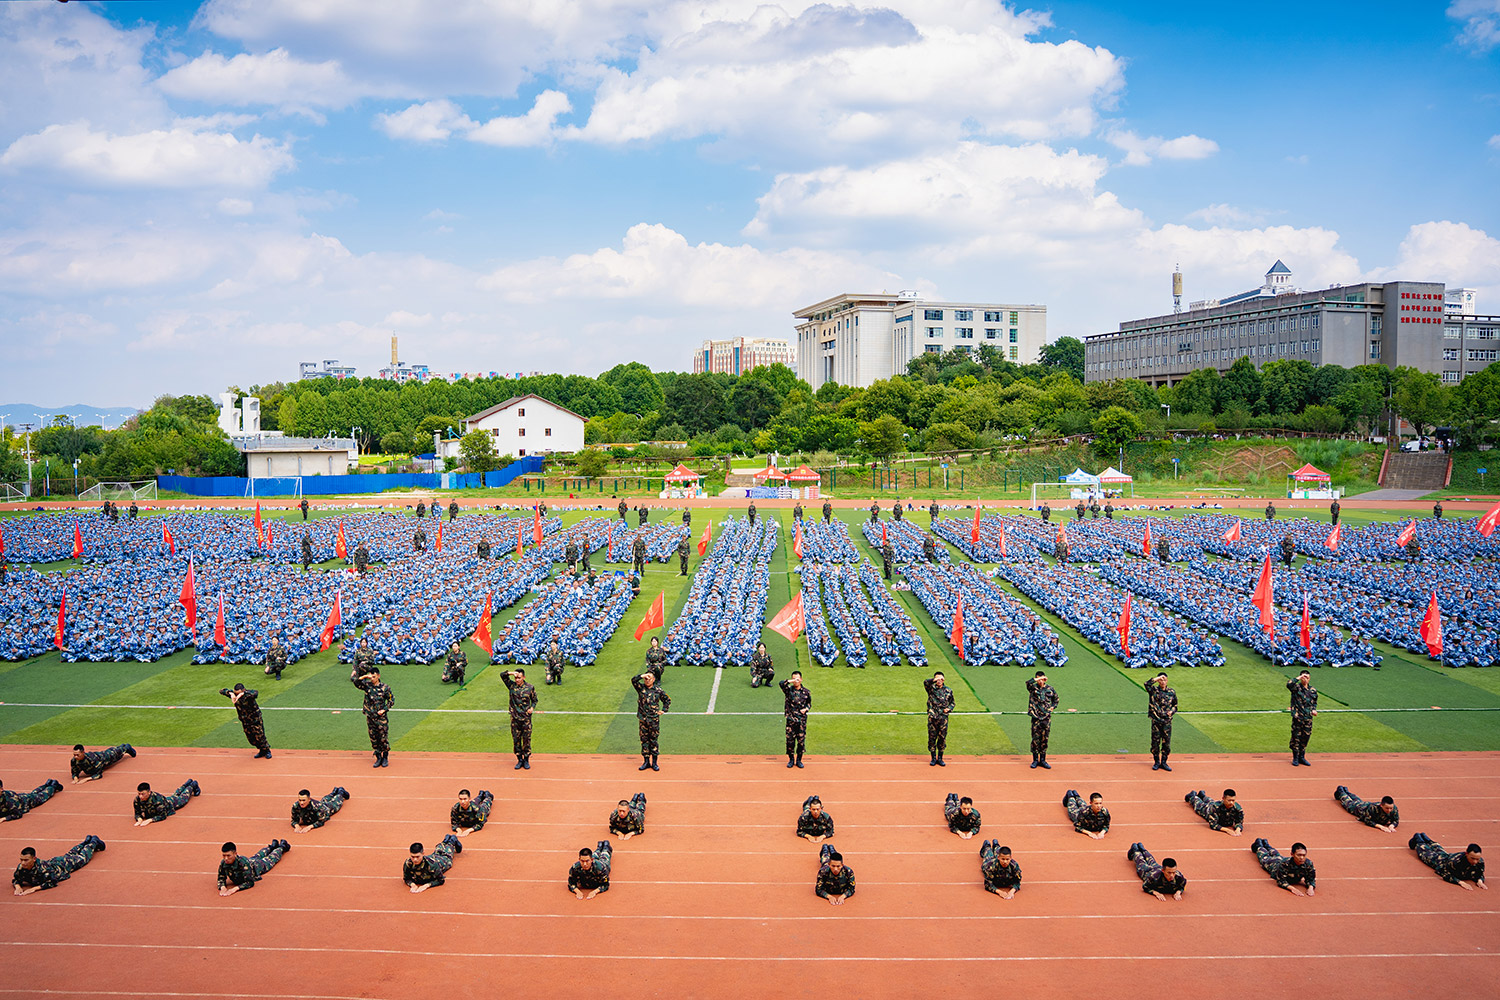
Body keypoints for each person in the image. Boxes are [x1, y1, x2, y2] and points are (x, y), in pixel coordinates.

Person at [12, 837, 105, 895]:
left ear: (34, 859)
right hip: (54, 862)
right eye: (21, 860)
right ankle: (85, 842)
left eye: (26, 860)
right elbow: (16, 879)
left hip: (63, 865)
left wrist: (34, 889)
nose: (23, 863)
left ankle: (93, 842)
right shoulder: (21, 867)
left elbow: (53, 881)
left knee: (82, 858)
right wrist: (18, 887)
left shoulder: (43, 868)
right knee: (70, 854)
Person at [351, 665, 394, 768]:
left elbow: (391, 700)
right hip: (370, 717)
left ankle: (385, 758)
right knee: (374, 738)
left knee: (383, 738)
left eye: (374, 676)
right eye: (371, 676)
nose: (372, 679)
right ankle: (378, 758)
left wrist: (384, 709)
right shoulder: (367, 685)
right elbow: (355, 682)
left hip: (381, 718)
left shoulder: (385, 688)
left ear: (378, 676)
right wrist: (364, 677)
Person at [1408, 834, 1485, 890]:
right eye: (1472, 858)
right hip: (1440, 861)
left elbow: (1479, 873)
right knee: (1424, 852)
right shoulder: (1456, 861)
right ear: (1466, 854)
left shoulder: (1480, 862)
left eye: (1477, 859)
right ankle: (1419, 838)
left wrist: (1480, 881)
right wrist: (1460, 882)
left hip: (1447, 855)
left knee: (1438, 848)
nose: (1475, 861)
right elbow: (1443, 872)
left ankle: (1426, 838)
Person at [218, 839, 289, 896]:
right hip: (251, 861)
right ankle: (271, 847)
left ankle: (282, 846)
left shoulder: (243, 863)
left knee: (272, 858)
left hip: (258, 866)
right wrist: (223, 887)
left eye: (228, 855)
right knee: (258, 855)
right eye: (224, 856)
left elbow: (250, 882)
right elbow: (221, 877)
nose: (226, 858)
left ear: (235, 854)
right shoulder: (223, 863)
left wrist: (235, 889)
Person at [633, 662, 670, 771]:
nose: (647, 680)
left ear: (654, 680)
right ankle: (646, 762)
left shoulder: (658, 690)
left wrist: (663, 710)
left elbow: (667, 700)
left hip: (653, 719)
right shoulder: (641, 688)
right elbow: (633, 680)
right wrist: (642, 676)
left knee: (653, 740)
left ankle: (654, 763)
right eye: (646, 679)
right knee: (644, 740)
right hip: (643, 719)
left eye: (649, 678)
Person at [220, 684, 273, 759]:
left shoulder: (248, 695)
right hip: (245, 720)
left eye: (238, 693)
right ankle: (261, 750)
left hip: (255, 719)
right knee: (251, 739)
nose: (236, 694)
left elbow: (255, 693)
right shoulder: (234, 694)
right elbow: (222, 690)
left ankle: (266, 750)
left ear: (243, 690)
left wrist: (243, 694)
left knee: (260, 736)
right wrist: (230, 693)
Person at [1251, 839, 1316, 896]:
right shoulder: (1284, 864)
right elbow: (1281, 881)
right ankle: (1259, 845)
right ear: (1292, 854)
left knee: (1277, 855)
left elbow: (1311, 879)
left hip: (1282, 859)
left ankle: (1267, 844)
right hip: (1274, 865)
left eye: (1304, 855)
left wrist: (1310, 888)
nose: (1302, 858)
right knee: (1264, 858)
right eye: (1299, 855)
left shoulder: (1308, 864)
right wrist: (1292, 888)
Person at [502, 669, 538, 770]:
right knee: (516, 740)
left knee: (526, 740)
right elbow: (502, 675)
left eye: (519, 678)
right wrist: (511, 673)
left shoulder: (530, 688)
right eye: (516, 678)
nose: (517, 680)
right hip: (515, 719)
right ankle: (519, 759)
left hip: (526, 718)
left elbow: (534, 700)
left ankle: (526, 760)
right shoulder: (511, 686)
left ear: (524, 678)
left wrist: (532, 708)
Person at [1025, 671, 1058, 769]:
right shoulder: (1033, 688)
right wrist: (1036, 679)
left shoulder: (1050, 689)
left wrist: (1052, 707)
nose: (1040, 681)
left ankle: (1043, 760)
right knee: (1035, 739)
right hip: (1036, 717)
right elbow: (1027, 683)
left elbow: (1056, 699)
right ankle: (1035, 760)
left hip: (1046, 718)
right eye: (1038, 679)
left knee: (1044, 738)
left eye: (1041, 679)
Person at [133, 779, 200, 825]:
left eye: (143, 794)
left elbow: (163, 815)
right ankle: (185, 785)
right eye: (139, 794)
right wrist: (139, 819)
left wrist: (150, 820)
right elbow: (137, 813)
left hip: (170, 804)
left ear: (149, 792)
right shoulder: (137, 800)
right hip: (165, 800)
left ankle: (192, 785)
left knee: (183, 799)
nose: (140, 796)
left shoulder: (158, 800)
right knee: (175, 795)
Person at [1334, 786, 1399, 832]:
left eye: (1391, 808)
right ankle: (1341, 791)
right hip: (1361, 809)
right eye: (1387, 808)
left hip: (1365, 804)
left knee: (1357, 800)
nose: (1389, 810)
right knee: (1348, 803)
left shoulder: (1394, 809)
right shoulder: (1373, 808)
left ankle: (1346, 791)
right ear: (1381, 805)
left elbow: (1396, 820)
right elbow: (1367, 820)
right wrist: (1380, 826)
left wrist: (1392, 826)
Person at [781, 671, 811, 768]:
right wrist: (791, 680)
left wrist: (806, 709)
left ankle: (799, 760)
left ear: (801, 679)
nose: (796, 681)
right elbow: (781, 683)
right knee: (790, 742)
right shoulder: (788, 690)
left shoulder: (806, 692)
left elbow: (809, 704)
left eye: (797, 679)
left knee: (801, 742)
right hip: (791, 721)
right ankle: (791, 759)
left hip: (801, 721)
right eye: (794, 679)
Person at [1148, 672, 1177, 772]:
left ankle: (1164, 762)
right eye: (1161, 680)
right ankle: (1156, 762)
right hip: (1156, 720)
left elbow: (1175, 706)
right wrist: (1157, 678)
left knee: (1166, 743)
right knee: (1155, 742)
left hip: (1167, 722)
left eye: (1164, 680)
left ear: (1167, 681)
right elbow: (1147, 684)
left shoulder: (1171, 692)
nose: (1163, 681)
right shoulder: (1154, 690)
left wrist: (1171, 712)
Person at [1287, 670, 1318, 766]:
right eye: (1304, 677)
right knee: (1296, 737)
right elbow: (1289, 684)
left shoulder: (1313, 690)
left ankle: (1302, 757)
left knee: (1306, 737)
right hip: (1298, 717)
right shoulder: (1296, 688)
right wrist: (1299, 678)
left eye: (1307, 677)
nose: (1306, 679)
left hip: (1308, 718)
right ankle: (1295, 757)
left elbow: (1314, 702)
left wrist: (1313, 710)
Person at [924, 672, 955, 767]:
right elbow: (925, 682)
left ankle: (940, 758)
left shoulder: (948, 691)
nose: (939, 681)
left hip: (943, 718)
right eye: (937, 679)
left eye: (941, 679)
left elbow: (952, 703)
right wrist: (935, 679)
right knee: (932, 737)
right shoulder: (931, 689)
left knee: (942, 738)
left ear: (944, 680)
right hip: (933, 718)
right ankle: (933, 758)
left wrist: (949, 709)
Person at [70, 743, 135, 783]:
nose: (75, 757)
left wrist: (86, 779)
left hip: (105, 758)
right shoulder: (73, 760)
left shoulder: (92, 759)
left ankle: (126, 747)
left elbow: (99, 774)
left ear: (83, 753)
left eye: (77, 755)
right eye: (74, 755)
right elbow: (74, 771)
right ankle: (121, 747)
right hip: (98, 761)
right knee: (116, 753)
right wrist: (76, 778)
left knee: (116, 754)